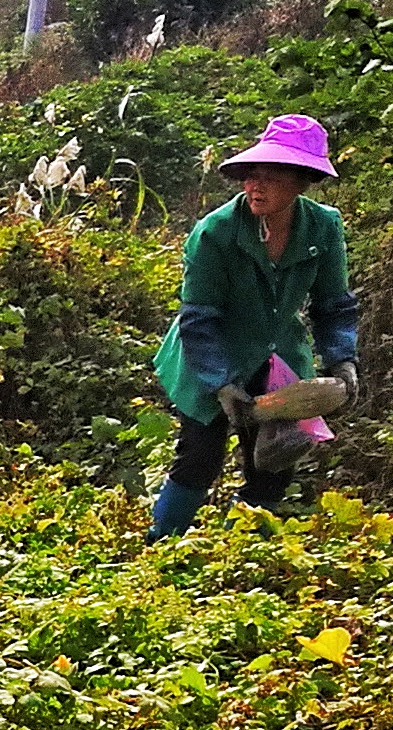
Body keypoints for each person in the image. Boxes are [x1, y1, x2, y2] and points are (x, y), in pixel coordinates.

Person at [149, 112, 361, 541]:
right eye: (251, 175)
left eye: (272, 177)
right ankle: (160, 547)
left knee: (274, 463)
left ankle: (238, 549)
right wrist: (222, 384)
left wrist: (343, 361)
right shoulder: (215, 233)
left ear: (302, 182)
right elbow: (199, 317)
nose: (255, 186)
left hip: (278, 355)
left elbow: (333, 305)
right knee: (199, 459)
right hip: (207, 354)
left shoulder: (324, 226)